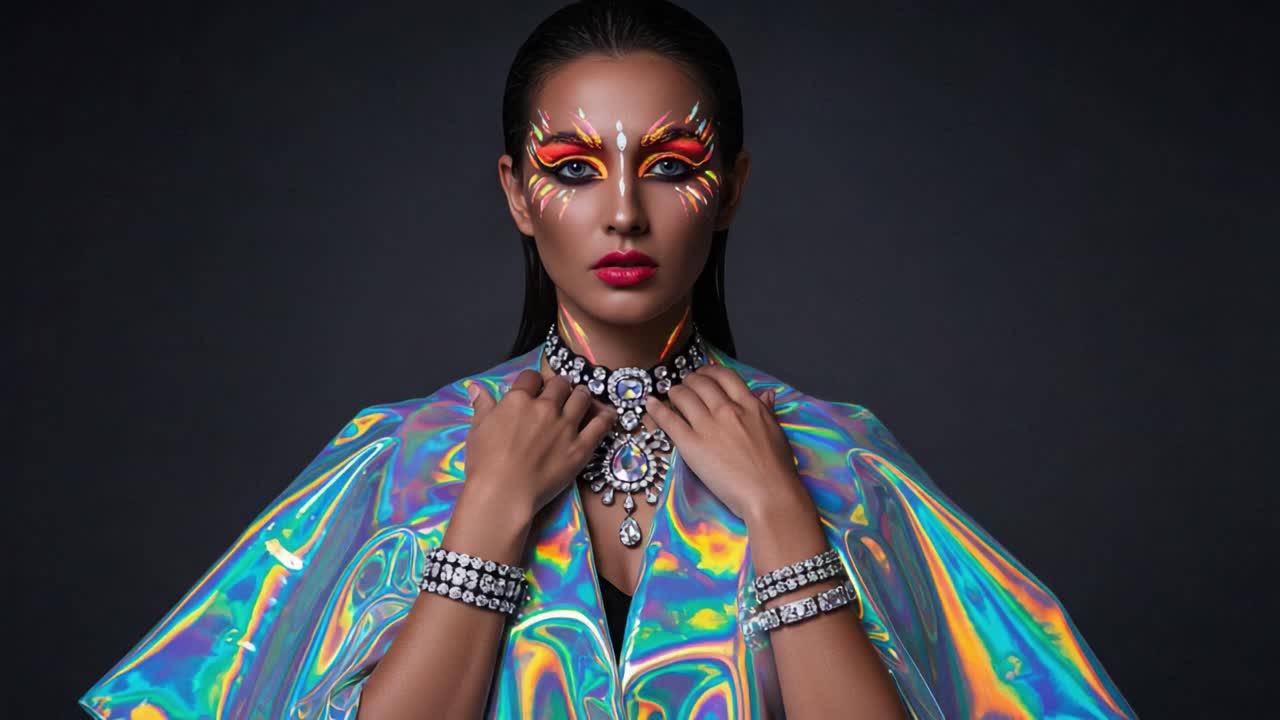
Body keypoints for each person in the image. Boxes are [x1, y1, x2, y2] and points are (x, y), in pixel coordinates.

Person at [79, 1, 1136, 718]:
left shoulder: (830, 458)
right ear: (512, 194)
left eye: (671, 166)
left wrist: (778, 512)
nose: (623, 211)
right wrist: (489, 505)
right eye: (573, 168)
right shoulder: (406, 455)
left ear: (729, 190)